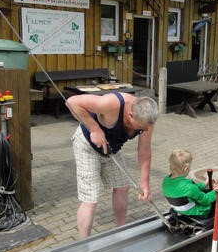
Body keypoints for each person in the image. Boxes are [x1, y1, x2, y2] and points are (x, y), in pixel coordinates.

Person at [66, 92, 158, 238]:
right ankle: (83, 245)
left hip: (111, 149)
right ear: (130, 115)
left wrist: (145, 183)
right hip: (86, 146)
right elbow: (72, 101)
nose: (145, 131)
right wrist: (94, 129)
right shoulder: (112, 103)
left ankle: (120, 231)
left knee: (122, 186)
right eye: (141, 127)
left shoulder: (147, 120)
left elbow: (144, 150)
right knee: (91, 197)